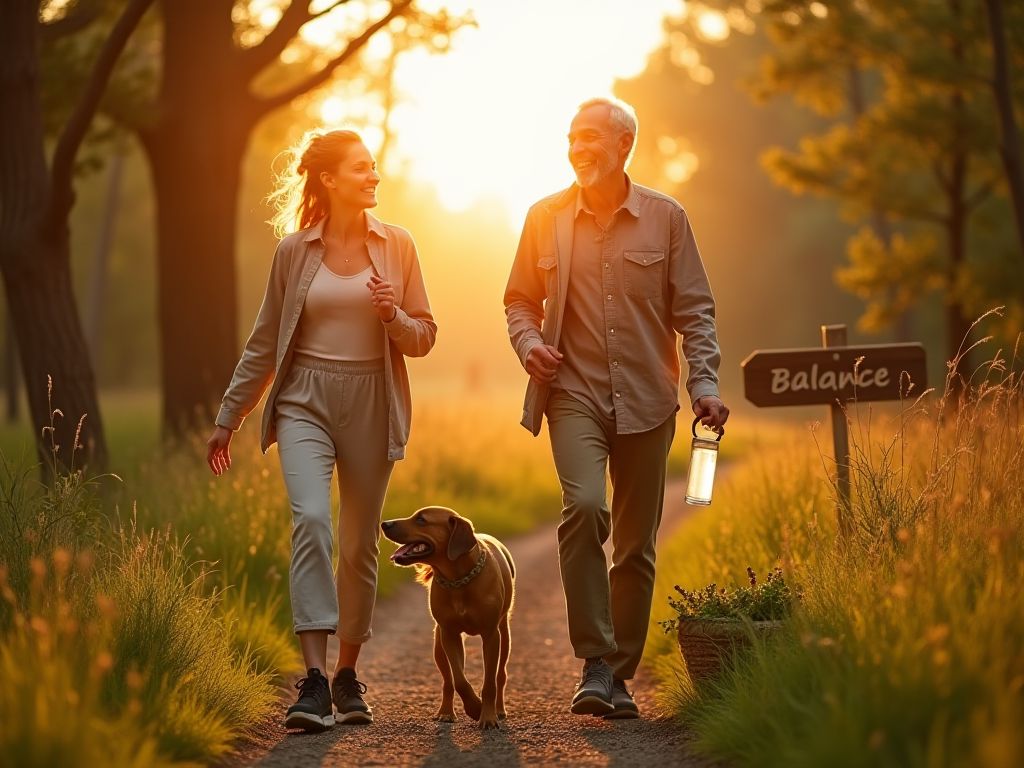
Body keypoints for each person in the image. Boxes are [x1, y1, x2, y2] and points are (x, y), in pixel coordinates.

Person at [503, 97, 729, 719]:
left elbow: (695, 312)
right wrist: (529, 345)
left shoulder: (666, 218)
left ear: (624, 145)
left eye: (592, 138)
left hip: (650, 399)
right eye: (572, 137)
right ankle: (594, 661)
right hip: (572, 392)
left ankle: (620, 675)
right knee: (582, 506)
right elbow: (519, 299)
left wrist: (703, 384)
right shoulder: (543, 217)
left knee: (635, 543)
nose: (579, 147)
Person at [206, 129, 436, 732]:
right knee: (310, 519)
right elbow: (263, 343)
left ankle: (347, 675)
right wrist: (228, 418)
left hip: (372, 402)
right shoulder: (294, 251)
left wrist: (393, 315)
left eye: (374, 167)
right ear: (329, 179)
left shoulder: (399, 246)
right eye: (361, 168)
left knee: (359, 543)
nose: (373, 176)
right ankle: (311, 681)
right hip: (305, 396)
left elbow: (424, 337)